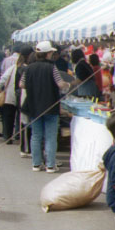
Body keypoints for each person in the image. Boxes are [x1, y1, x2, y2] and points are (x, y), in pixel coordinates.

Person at [23, 41, 69, 173]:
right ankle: (50, 165)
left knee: (36, 135)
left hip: (34, 106)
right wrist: (67, 85)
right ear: (48, 53)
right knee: (50, 136)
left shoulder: (29, 68)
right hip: (51, 106)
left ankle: (36, 164)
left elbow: (22, 84)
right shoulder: (52, 67)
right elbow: (60, 84)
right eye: (51, 52)